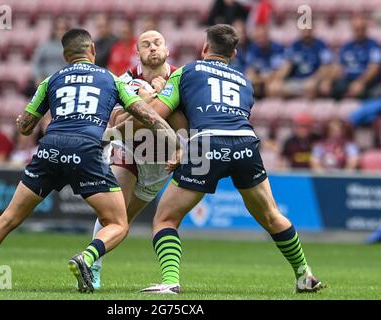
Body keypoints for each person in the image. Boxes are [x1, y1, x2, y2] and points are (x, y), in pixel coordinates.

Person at [0, 29, 179, 293]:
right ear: (92, 50)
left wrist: (31, 118)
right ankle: (87, 258)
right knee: (118, 222)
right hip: (85, 151)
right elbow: (146, 115)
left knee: (8, 218)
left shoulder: (51, 79)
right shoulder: (111, 79)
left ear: (66, 56)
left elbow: (24, 126)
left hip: (50, 150)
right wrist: (177, 144)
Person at [111, 24, 325, 294]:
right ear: (233, 53)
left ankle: (169, 282)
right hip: (246, 144)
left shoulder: (188, 70)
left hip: (207, 144)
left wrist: (116, 129)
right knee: (271, 215)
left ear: (204, 48)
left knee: (165, 219)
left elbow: (155, 114)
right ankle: (304, 274)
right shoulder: (245, 82)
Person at [90, 30, 187, 290]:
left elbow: (186, 123)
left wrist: (159, 99)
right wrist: (151, 102)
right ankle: (92, 266)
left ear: (167, 49)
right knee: (115, 214)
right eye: (146, 44)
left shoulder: (181, 78)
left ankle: (90, 258)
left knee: (124, 222)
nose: (152, 48)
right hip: (130, 152)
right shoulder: (125, 81)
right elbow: (117, 125)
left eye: (158, 43)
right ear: (138, 52)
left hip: (161, 164)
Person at [320, 15, 381, 100]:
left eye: (362, 29)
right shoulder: (347, 46)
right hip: (349, 79)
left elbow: (375, 68)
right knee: (334, 89)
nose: (359, 32)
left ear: (366, 29)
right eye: (357, 29)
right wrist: (328, 80)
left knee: (365, 92)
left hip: (367, 81)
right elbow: (339, 66)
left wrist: (361, 82)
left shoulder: (373, 46)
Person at [268, 27, 333, 98]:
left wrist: (315, 79)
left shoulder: (321, 45)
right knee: (274, 88)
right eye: (303, 28)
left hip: (312, 80)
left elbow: (326, 67)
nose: (306, 31)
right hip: (296, 80)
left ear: (313, 29)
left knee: (311, 87)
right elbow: (286, 65)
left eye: (308, 28)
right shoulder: (294, 46)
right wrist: (279, 79)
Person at [245, 24, 285, 98]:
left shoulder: (277, 48)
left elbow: (278, 72)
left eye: (262, 37)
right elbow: (250, 71)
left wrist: (262, 79)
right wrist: (260, 79)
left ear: (267, 36)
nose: (260, 40)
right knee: (247, 85)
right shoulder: (253, 48)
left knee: (274, 87)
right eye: (257, 38)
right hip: (261, 79)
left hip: (274, 79)